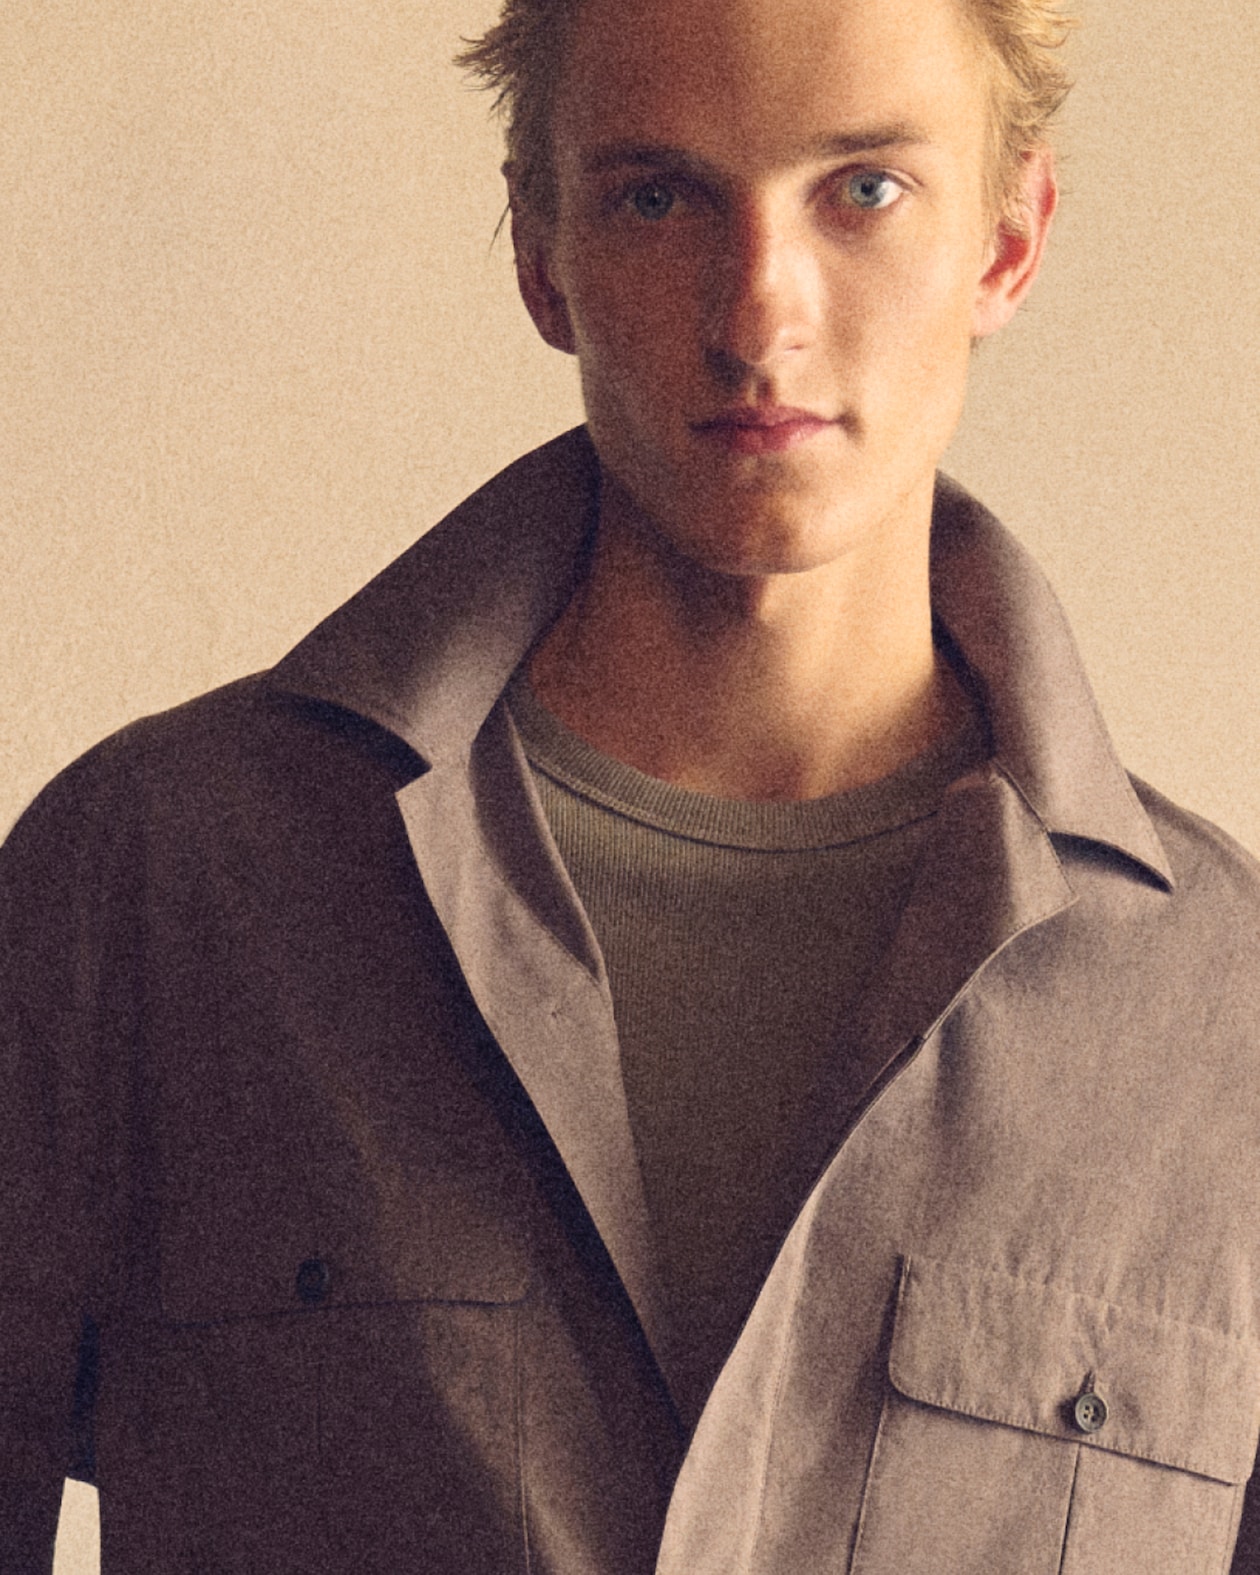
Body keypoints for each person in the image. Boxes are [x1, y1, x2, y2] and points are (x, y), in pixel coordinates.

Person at [3, 0, 1260, 1568]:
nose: (760, 313)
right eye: (659, 196)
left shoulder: (1225, 1021)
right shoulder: (159, 884)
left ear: (1011, 240)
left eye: (863, 189)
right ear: (542, 251)